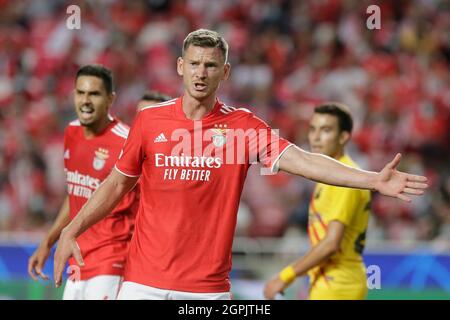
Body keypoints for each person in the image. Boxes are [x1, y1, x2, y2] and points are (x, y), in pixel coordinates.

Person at [53, 29, 428, 300]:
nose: (201, 73)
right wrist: (72, 229)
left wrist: (372, 180)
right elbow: (117, 184)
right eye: (195, 64)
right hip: (140, 283)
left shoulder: (241, 127)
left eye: (211, 65)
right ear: (181, 67)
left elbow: (299, 159)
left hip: (204, 290)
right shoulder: (150, 121)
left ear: (225, 72)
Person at [28, 64, 139, 300]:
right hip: (77, 259)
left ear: (110, 99)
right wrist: (48, 242)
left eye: (94, 94)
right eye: (81, 92)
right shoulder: (71, 132)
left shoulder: (126, 141)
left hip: (113, 258)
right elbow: (76, 195)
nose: (86, 100)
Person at [264, 103, 372, 300]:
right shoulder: (331, 176)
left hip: (338, 283)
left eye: (326, 130)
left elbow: (331, 243)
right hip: (330, 281)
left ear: (343, 137)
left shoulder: (344, 179)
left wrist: (285, 276)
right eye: (313, 129)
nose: (315, 137)